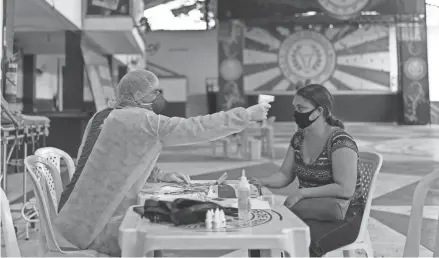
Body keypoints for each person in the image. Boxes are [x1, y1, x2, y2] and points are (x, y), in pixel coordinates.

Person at [53, 69, 270, 256]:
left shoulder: (104, 116)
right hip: (92, 228)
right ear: (137, 96)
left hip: (69, 217)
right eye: (154, 92)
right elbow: (196, 127)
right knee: (159, 229)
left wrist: (158, 175)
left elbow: (114, 161)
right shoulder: (141, 119)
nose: (159, 96)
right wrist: (246, 115)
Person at [249, 84, 363, 257]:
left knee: (302, 243)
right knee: (263, 236)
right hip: (310, 209)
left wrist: (303, 193)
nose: (296, 113)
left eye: (301, 108)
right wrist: (262, 181)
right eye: (295, 107)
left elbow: (345, 188)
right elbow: (284, 175)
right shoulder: (299, 137)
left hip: (344, 214)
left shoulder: (340, 141)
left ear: (319, 111)